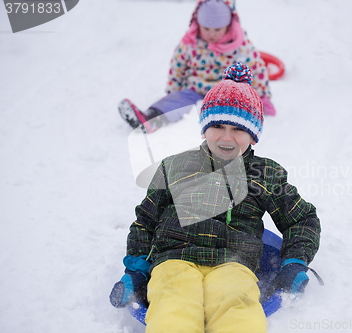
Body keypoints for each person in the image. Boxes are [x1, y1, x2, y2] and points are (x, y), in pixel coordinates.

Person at [110, 63, 320, 333]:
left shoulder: (264, 174)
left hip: (233, 263)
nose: (226, 137)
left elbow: (301, 218)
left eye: (238, 129)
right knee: (173, 305)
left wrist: (294, 261)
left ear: (253, 136)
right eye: (218, 125)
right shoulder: (175, 167)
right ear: (204, 128)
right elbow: (146, 221)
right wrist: (136, 270)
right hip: (175, 259)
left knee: (237, 306)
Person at [119, 0, 276, 134]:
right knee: (175, 103)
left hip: (225, 94)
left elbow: (257, 68)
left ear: (229, 26)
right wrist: (173, 92)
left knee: (233, 111)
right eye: (206, 28)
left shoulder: (239, 46)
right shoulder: (191, 43)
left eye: (217, 30)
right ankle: (150, 119)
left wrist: (263, 97)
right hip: (195, 91)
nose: (211, 34)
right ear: (198, 23)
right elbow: (178, 67)